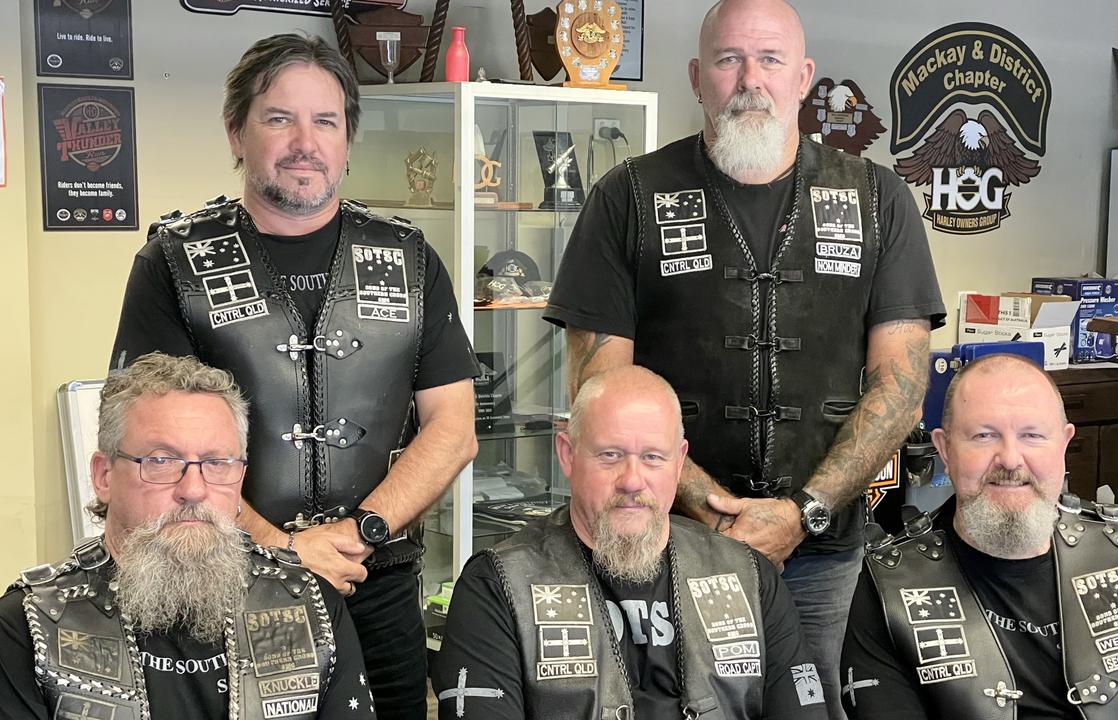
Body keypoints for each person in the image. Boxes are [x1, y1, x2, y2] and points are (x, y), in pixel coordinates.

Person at [542, 0, 945, 712]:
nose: (749, 79)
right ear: (698, 77)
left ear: (804, 78)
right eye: (729, 60)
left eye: (770, 60)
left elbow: (902, 386)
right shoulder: (628, 199)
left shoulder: (878, 199)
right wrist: (711, 509)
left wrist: (806, 511)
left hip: (822, 555)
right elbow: (597, 388)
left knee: (810, 709)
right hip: (661, 545)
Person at [106, 34, 478, 718]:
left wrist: (363, 531)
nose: (304, 141)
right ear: (236, 132)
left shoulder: (409, 259)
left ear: (347, 139)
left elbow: (453, 429)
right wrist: (285, 550)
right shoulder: (175, 264)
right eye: (279, 118)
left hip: (380, 580)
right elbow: (152, 443)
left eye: (325, 121)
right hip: (222, 581)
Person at [841, 354, 1118, 719]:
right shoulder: (888, 591)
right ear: (945, 450)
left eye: (1032, 436)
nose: (1010, 459)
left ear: (1064, 444)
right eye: (983, 436)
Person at [431, 366, 829, 719]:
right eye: (610, 454)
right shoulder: (498, 586)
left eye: (653, 457)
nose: (632, 480)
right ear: (567, 455)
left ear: (679, 462)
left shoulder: (748, 576)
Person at [0, 353, 371, 719]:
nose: (193, 490)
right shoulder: (29, 628)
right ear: (104, 476)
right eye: (161, 461)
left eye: (217, 463)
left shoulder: (309, 605)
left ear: (240, 476)